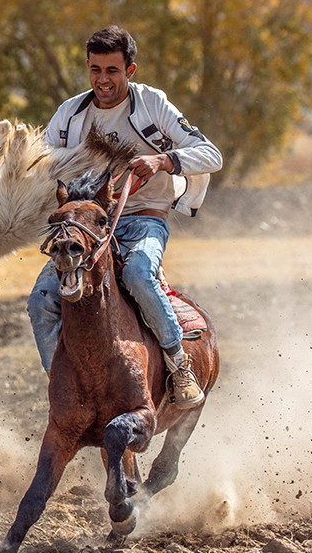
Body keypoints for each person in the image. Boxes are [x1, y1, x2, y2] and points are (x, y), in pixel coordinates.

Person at [27, 25, 222, 408]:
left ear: (130, 71)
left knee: (137, 275)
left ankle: (178, 365)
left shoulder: (153, 105)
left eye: (112, 70)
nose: (103, 79)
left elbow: (211, 155)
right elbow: (41, 167)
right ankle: (62, 384)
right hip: (86, 227)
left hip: (143, 218)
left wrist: (164, 160)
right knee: (40, 299)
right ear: (87, 67)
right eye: (95, 69)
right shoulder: (69, 116)